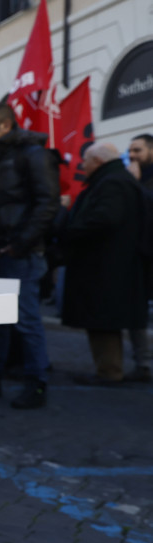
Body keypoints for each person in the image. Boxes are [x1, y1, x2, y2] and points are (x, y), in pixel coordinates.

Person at [0, 102, 60, 409]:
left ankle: (37, 383)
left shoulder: (32, 155)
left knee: (27, 319)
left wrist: (20, 244)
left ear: (4, 126)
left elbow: (47, 203)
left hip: (21, 253)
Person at [58, 143, 147, 384]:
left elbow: (105, 219)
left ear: (97, 161)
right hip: (110, 266)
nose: (83, 166)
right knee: (105, 319)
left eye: (85, 161)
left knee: (103, 321)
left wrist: (71, 229)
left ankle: (109, 372)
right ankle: (110, 369)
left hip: (106, 268)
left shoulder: (112, 183)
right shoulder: (115, 180)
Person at [125, 133, 152, 381]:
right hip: (141, 258)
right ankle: (143, 363)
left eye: (138, 150)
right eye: (130, 151)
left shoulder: (140, 182)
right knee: (137, 314)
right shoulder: (135, 180)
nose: (132, 156)